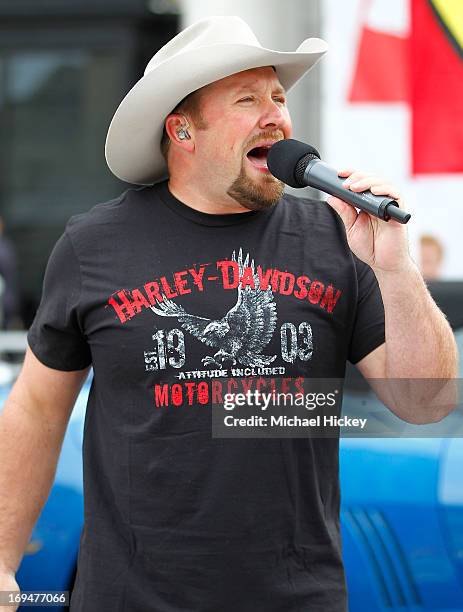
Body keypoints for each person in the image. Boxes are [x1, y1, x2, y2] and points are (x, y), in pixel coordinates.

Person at [0, 16, 458, 612]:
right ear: (182, 130)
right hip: (131, 598)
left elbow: (427, 401)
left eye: (278, 97)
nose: (277, 116)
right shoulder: (95, 244)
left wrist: (395, 270)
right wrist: (3, 561)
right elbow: (36, 407)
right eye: (248, 99)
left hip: (297, 597)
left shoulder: (333, 236)